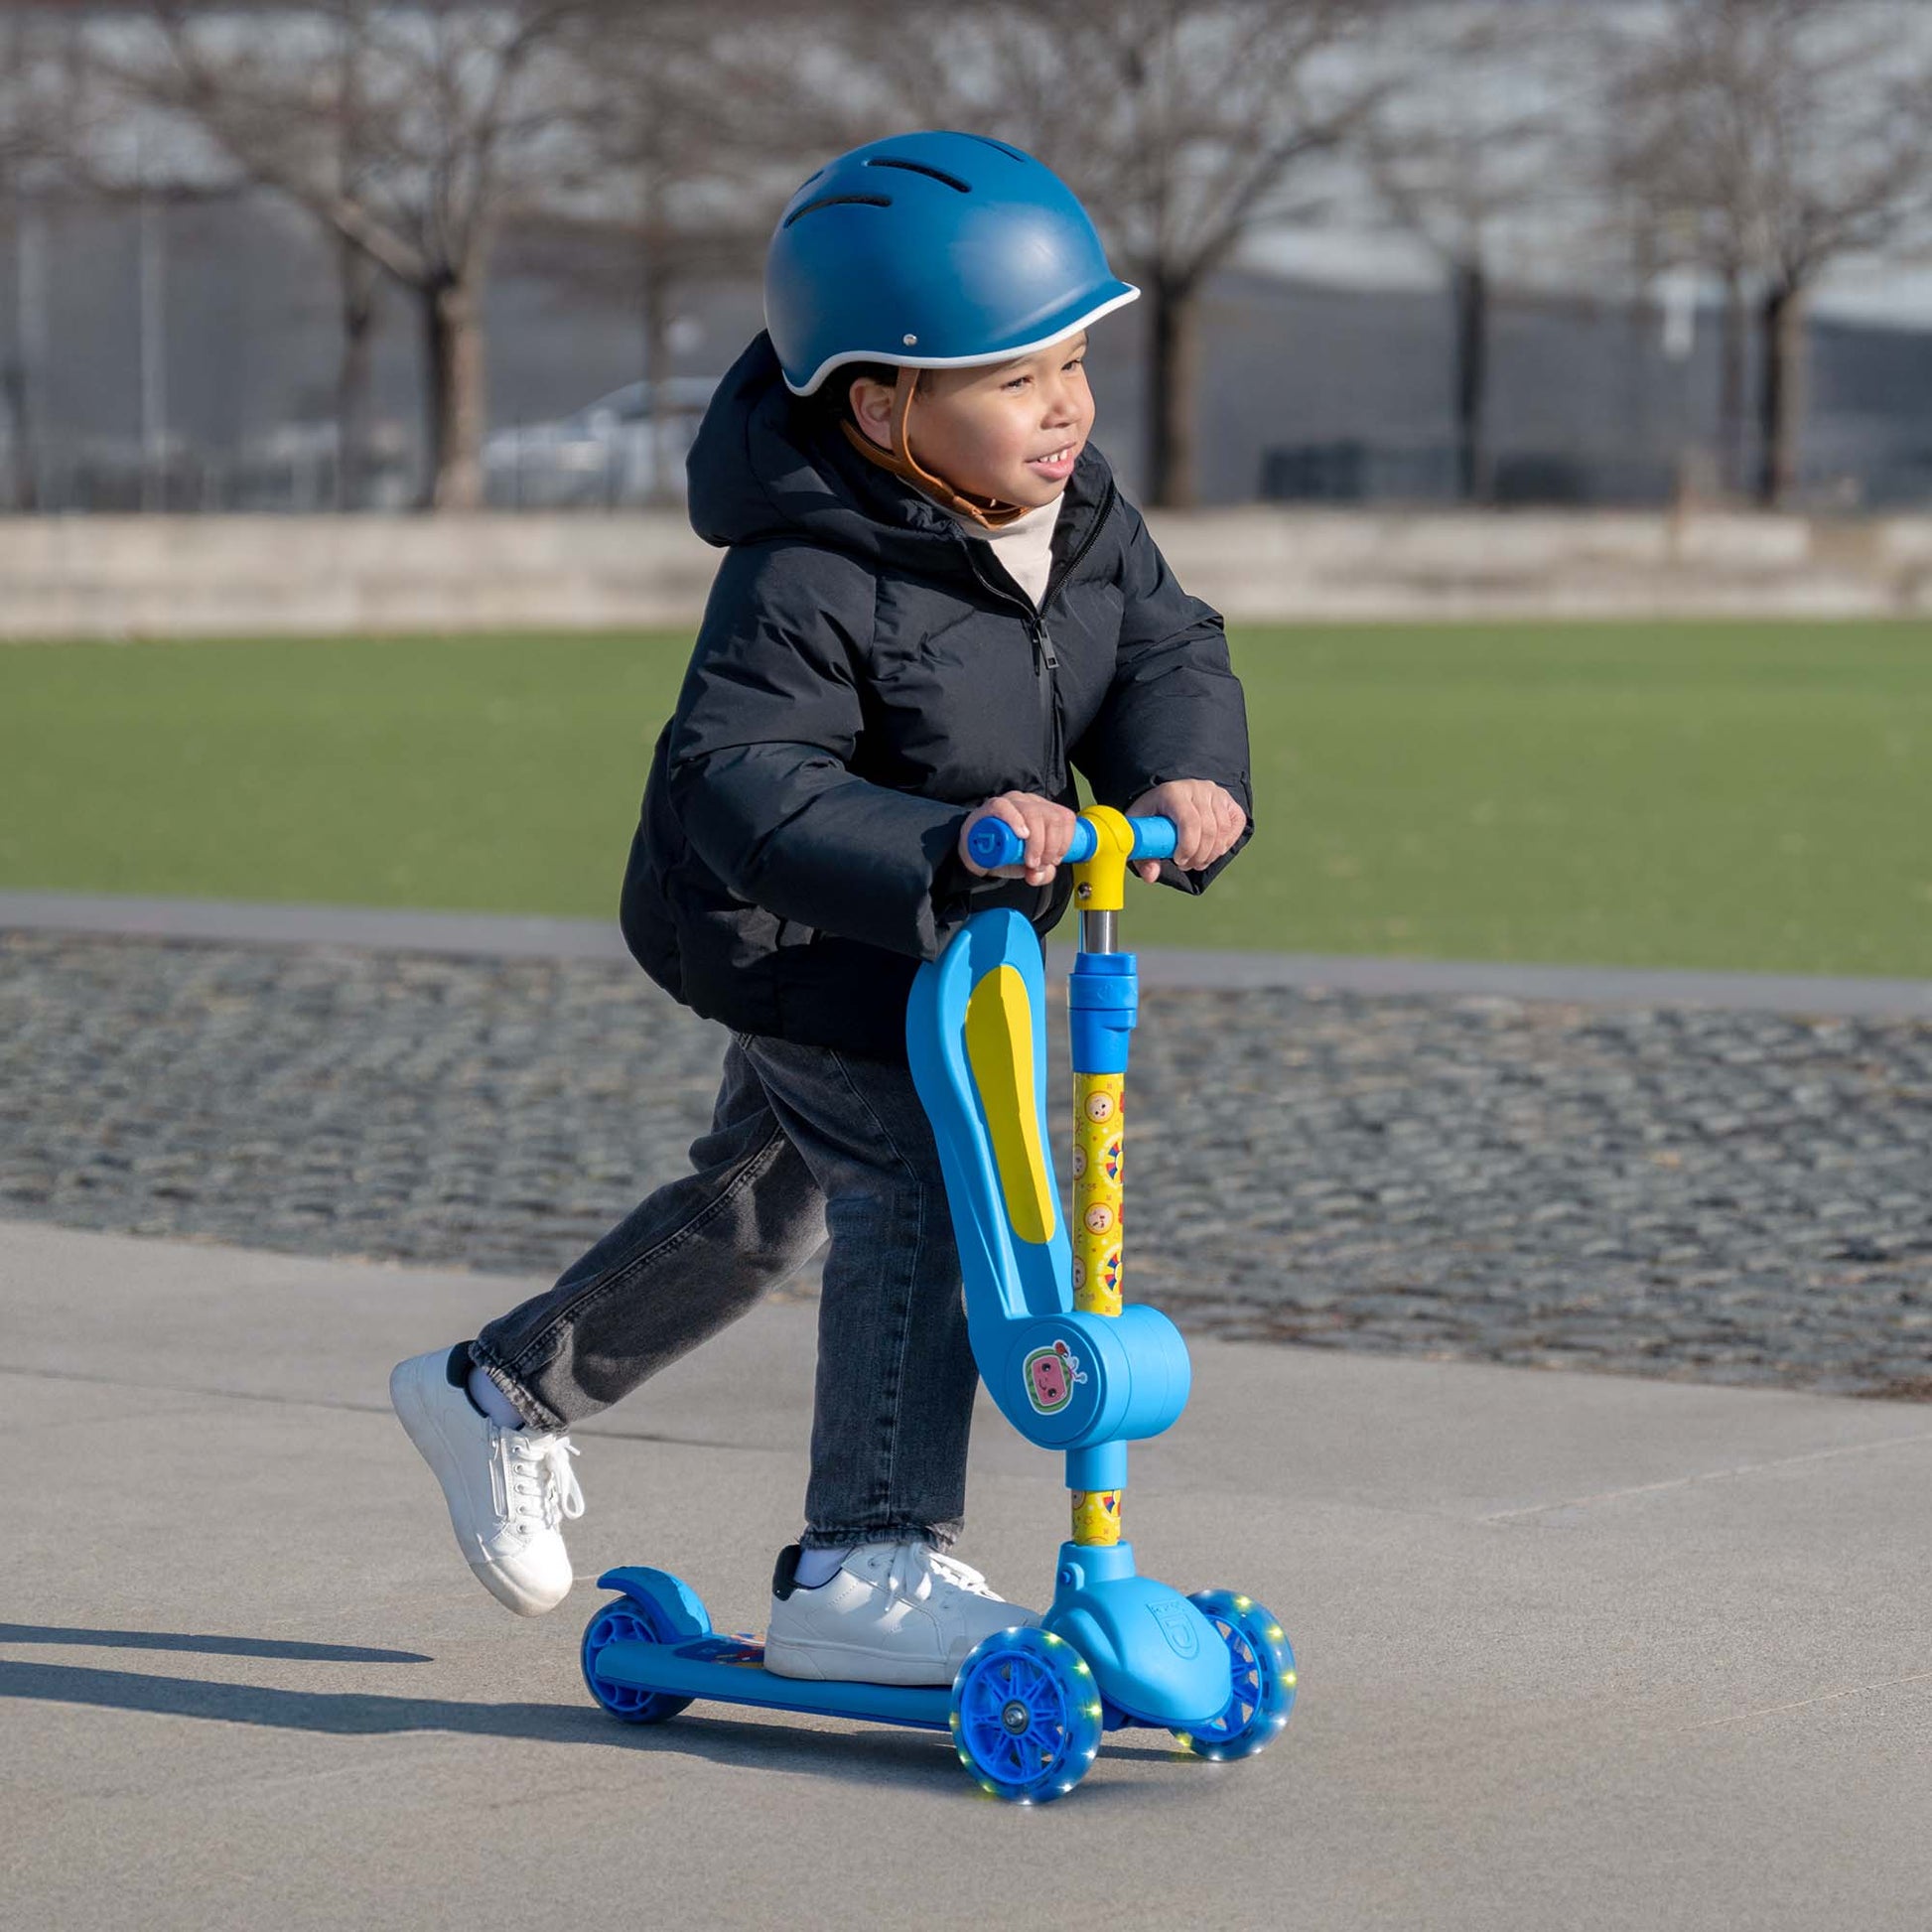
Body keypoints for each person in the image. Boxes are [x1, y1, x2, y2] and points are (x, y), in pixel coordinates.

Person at [389, 130, 1253, 1687]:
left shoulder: (1077, 505)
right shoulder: (801, 572)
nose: (1061, 405)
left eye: (1070, 361)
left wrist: (1189, 779)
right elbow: (738, 779)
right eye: (1011, 376)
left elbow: (1166, 648)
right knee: (922, 1181)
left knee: (758, 1203)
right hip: (796, 934)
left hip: (948, 936)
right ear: (881, 404)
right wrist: (950, 842)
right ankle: (868, 1553)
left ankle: (500, 1392)